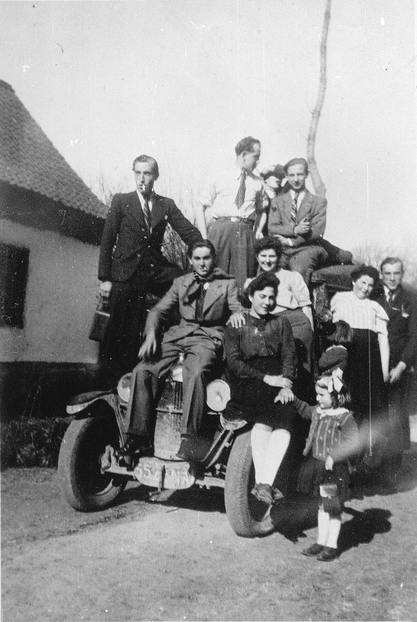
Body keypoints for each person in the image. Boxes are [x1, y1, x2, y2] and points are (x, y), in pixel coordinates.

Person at [123, 240, 245, 462]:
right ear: (190, 260)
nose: (202, 264)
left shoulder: (227, 284)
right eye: (197, 259)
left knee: (196, 372)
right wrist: (151, 334)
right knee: (143, 370)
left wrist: (237, 314)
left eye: (206, 258)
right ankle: (139, 438)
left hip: (207, 338)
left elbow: (238, 308)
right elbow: (158, 310)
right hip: (178, 336)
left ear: (213, 259)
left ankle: (190, 439)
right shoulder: (181, 282)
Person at [98, 154, 202, 379]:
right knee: (120, 330)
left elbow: (188, 231)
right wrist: (105, 278)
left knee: (186, 283)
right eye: (138, 173)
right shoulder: (121, 201)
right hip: (126, 272)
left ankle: (177, 352)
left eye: (147, 173)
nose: (142, 178)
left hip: (154, 269)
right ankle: (113, 381)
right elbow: (107, 241)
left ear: (155, 176)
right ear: (134, 174)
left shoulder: (166, 204)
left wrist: (202, 254)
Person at [224, 272, 298, 505]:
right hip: (247, 379)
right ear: (251, 296)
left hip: (277, 379)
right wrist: (266, 379)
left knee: (285, 416)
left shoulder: (281, 323)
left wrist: (287, 384)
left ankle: (263, 483)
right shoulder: (237, 323)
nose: (267, 301)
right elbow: (234, 363)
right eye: (262, 296)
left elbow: (289, 356)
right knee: (267, 410)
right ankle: (262, 481)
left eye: (272, 297)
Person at [284, 369, 359, 561]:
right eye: (317, 394)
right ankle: (320, 541)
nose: (318, 398)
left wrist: (334, 455)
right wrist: (292, 398)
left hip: (333, 470)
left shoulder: (344, 417)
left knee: (332, 507)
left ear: (335, 396)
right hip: (318, 466)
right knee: (321, 505)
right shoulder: (318, 411)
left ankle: (332, 545)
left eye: (322, 395)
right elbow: (303, 409)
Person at [330, 266, 390, 468]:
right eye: (363, 282)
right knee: (345, 406)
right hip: (347, 360)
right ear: (353, 281)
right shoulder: (341, 299)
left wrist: (383, 372)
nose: (366, 288)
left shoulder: (375, 307)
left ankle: (357, 461)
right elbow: (335, 334)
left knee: (366, 411)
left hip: (369, 364)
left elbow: (383, 342)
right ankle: (341, 459)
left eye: (370, 284)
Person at [197, 136, 267, 291]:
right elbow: (200, 206)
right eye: (255, 157)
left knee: (242, 282)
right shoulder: (220, 175)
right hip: (220, 231)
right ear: (243, 155)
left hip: (245, 233)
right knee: (214, 278)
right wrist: (204, 238)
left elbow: (263, 211)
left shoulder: (257, 181)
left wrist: (256, 234)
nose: (258, 161)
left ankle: (240, 313)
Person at [244, 237, 315, 378]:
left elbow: (306, 307)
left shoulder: (291, 277)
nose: (267, 260)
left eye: (272, 256)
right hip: (270, 324)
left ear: (278, 256)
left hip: (296, 322)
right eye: (263, 256)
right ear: (257, 257)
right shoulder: (253, 282)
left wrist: (311, 331)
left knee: (298, 358)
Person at [374, 257, 417, 452]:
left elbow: (414, 337)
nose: (392, 278)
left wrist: (401, 366)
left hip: (399, 365)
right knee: (377, 412)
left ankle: (397, 467)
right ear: (381, 275)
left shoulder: (411, 298)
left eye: (396, 273)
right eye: (388, 273)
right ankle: (375, 461)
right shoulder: (373, 295)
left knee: (397, 413)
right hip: (375, 362)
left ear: (402, 274)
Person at [267, 157, 328, 284]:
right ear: (286, 176)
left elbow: (317, 231)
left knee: (299, 270)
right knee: (268, 271)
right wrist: (294, 230)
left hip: (306, 248)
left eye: (300, 174)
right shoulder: (278, 201)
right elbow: (272, 227)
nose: (296, 179)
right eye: (291, 175)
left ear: (306, 174)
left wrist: (290, 241)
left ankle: (301, 303)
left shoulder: (318, 202)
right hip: (281, 249)